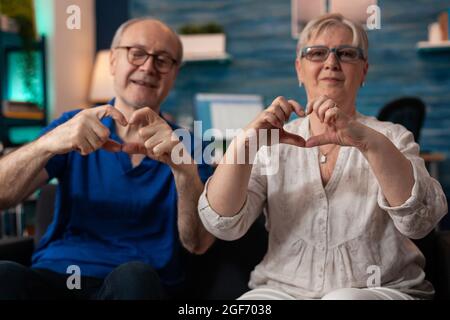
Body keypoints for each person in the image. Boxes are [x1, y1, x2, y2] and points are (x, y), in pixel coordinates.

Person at [197, 13, 447, 300]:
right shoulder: (271, 143)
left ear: (363, 71)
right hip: (281, 290)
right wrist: (244, 143)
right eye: (316, 53)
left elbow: (420, 223)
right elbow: (224, 225)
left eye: (346, 53)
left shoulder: (392, 137)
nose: (331, 62)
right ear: (299, 70)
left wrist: (370, 144)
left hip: (380, 289)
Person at [0, 18, 215, 300]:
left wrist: (184, 171)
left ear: (174, 73)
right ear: (113, 61)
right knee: (5, 274)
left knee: (133, 277)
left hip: (136, 285)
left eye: (163, 60)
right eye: (136, 53)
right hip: (55, 277)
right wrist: (47, 144)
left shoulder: (191, 145)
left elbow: (197, 243)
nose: (148, 67)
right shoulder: (72, 125)